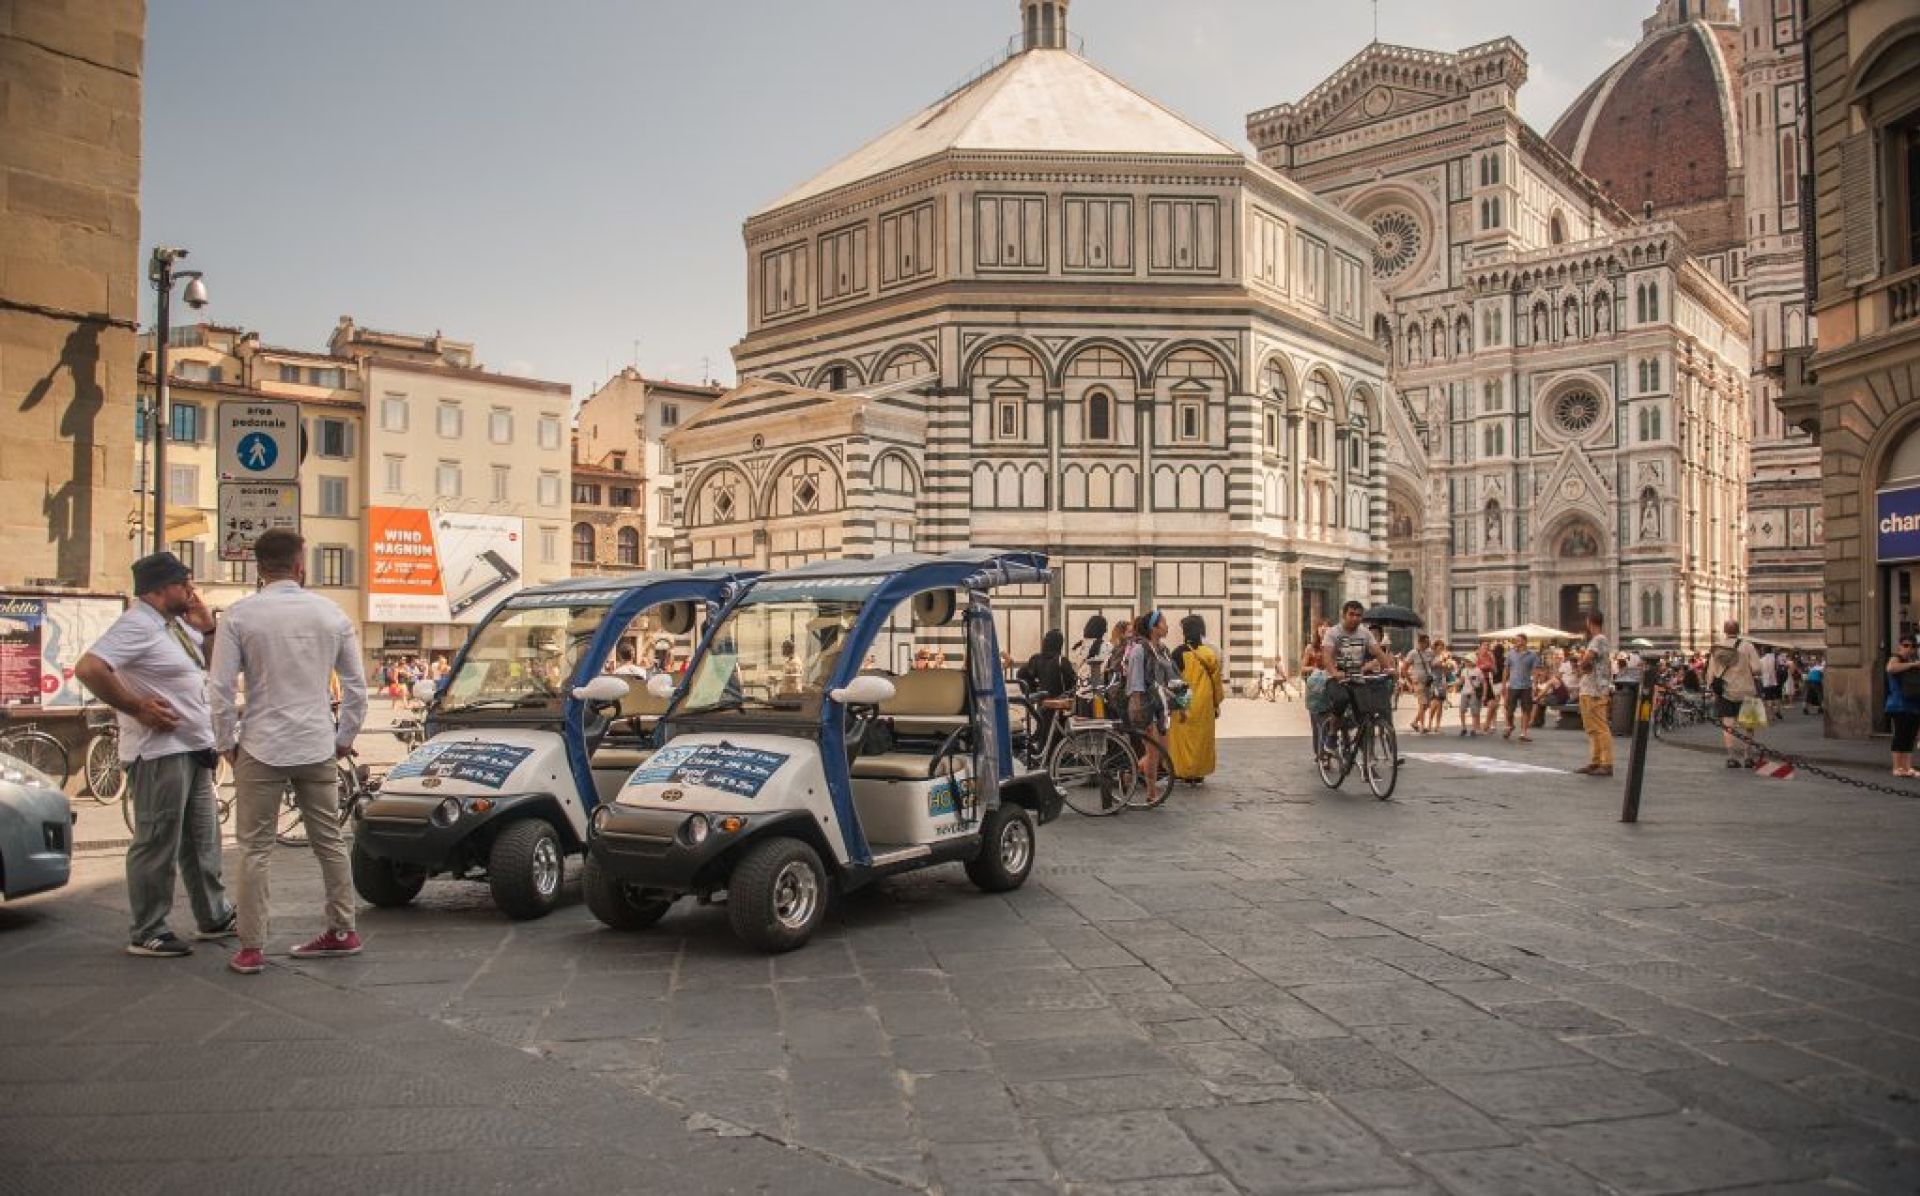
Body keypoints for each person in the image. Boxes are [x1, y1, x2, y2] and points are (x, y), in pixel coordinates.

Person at [210, 530, 369, 975]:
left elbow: (220, 688)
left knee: (254, 849)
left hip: (261, 742)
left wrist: (225, 742)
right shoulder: (331, 614)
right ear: (300, 567)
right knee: (330, 842)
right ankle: (343, 929)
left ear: (259, 568)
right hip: (316, 742)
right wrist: (344, 736)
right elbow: (356, 688)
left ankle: (251, 947)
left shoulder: (239, 615)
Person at [73, 552, 235, 958]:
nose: (192, 590)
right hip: (160, 752)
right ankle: (149, 929)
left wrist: (208, 628)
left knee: (202, 839)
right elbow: (90, 668)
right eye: (184, 583)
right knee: (158, 839)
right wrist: (136, 707)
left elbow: (210, 668)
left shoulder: (175, 626)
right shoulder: (137, 624)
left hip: (193, 747)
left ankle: (214, 915)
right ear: (161, 588)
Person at [1318, 600, 1395, 751]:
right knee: (1341, 699)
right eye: (1351, 614)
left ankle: (1362, 750)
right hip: (1336, 679)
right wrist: (1334, 672)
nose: (1355, 618)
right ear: (1344, 615)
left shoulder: (1365, 633)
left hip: (1356, 678)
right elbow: (1326, 657)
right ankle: (1332, 734)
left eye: (1358, 615)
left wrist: (1389, 668)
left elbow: (1378, 652)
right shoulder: (1333, 632)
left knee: (1366, 712)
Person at [1123, 611, 1177, 788]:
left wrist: (1180, 703)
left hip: (1161, 706)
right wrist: (1139, 709)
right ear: (1154, 628)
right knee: (1152, 752)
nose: (1167, 626)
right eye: (1164, 623)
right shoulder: (1139, 650)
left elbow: (1171, 678)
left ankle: (1129, 774)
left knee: (1161, 752)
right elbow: (1135, 682)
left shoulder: (1163, 650)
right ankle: (1151, 794)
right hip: (1145, 704)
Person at [1167, 614, 1223, 784]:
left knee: (1182, 737)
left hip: (1186, 699)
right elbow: (1216, 682)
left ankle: (1183, 771)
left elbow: (1175, 680)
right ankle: (1198, 773)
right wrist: (1216, 703)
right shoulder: (1209, 653)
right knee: (1201, 739)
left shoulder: (1178, 653)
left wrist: (1177, 705)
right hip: (1205, 703)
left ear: (1185, 632)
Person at [1704, 619, 1763, 769]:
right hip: (1747, 689)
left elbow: (1711, 672)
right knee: (1749, 725)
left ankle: (1731, 757)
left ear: (1725, 631)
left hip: (1725, 691)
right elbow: (1757, 668)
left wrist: (1711, 686)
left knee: (1728, 724)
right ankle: (1747, 756)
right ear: (1739, 630)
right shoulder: (1747, 646)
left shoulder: (1717, 648)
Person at [1016, 629, 1077, 748]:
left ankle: (1043, 755)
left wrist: (1033, 691)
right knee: (1058, 738)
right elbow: (1072, 683)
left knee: (1043, 735)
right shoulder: (1062, 661)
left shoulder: (1037, 659)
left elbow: (1021, 674)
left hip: (1043, 704)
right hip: (1060, 705)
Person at [1574, 612, 1615, 777]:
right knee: (1592, 728)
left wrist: (1582, 666)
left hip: (1595, 690)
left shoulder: (1598, 639)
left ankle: (1606, 763)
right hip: (1590, 689)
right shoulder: (1599, 640)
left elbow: (1588, 658)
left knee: (1600, 727)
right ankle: (1595, 761)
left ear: (1589, 622)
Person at [1886, 637, 1920, 778]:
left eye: (1912, 646)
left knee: (1910, 737)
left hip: (1914, 705)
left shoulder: (1913, 661)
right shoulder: (1895, 658)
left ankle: (1907, 767)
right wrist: (1913, 665)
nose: (1909, 648)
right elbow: (1891, 668)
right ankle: (1897, 767)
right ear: (1900, 646)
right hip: (1899, 705)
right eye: (1906, 645)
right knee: (1900, 735)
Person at [1502, 634, 1540, 742]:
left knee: (1526, 710)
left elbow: (1535, 671)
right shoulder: (1511, 654)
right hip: (1513, 685)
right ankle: (1510, 725)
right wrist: (1504, 684)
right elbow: (1506, 669)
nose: (1517, 642)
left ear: (1525, 641)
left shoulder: (1532, 655)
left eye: (1519, 640)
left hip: (1526, 686)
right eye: (1516, 640)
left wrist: (1535, 685)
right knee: (1509, 709)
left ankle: (1523, 733)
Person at [1404, 634, 1433, 732]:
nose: (1428, 644)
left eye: (1428, 642)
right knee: (1422, 703)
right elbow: (1404, 668)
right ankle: (1422, 726)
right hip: (1417, 681)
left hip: (1427, 681)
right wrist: (1409, 681)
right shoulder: (1413, 653)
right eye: (1426, 642)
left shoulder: (1430, 652)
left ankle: (1415, 722)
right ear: (1420, 642)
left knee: (1427, 704)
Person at [1422, 640, 1451, 732]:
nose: (1441, 649)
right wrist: (1443, 660)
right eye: (1439, 647)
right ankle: (1430, 724)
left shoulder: (1443, 656)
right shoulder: (1432, 656)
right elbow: (1432, 665)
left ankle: (1437, 725)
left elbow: (1446, 670)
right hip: (1434, 681)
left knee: (1440, 704)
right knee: (1434, 703)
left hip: (1442, 681)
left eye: (1442, 647)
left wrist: (1447, 665)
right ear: (1435, 647)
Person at [1457, 653, 1485, 736]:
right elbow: (1461, 681)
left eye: (1468, 661)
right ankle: (1463, 727)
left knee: (1474, 711)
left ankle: (1473, 728)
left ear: (1473, 661)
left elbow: (1483, 682)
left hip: (1474, 693)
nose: (1466, 662)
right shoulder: (1464, 670)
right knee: (1462, 710)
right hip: (1465, 692)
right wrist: (1453, 684)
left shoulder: (1478, 670)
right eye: (1466, 661)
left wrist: (1484, 694)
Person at [1758, 647, 1783, 722]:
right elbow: (1778, 668)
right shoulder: (1775, 659)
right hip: (1775, 681)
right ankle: (1778, 711)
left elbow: (1759, 671)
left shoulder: (1761, 660)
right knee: (1777, 697)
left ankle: (1771, 716)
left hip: (1766, 682)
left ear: (1763, 651)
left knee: (1768, 699)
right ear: (1771, 650)